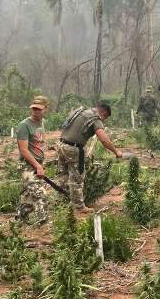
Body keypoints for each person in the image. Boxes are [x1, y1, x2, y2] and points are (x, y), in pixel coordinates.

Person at [57, 103, 122, 212]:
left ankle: (61, 202)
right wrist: (116, 151)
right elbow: (104, 140)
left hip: (61, 145)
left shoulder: (80, 112)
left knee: (63, 175)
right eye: (105, 117)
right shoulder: (95, 119)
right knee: (77, 178)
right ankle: (78, 207)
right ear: (103, 113)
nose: (104, 120)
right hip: (73, 149)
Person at [16, 96, 50, 224]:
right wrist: (37, 166)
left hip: (38, 164)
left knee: (28, 199)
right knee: (40, 194)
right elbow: (23, 150)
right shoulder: (24, 125)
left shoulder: (41, 123)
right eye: (34, 109)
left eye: (39, 109)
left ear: (45, 109)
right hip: (28, 166)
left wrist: (42, 163)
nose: (36, 111)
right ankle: (44, 224)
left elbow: (40, 143)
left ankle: (20, 222)